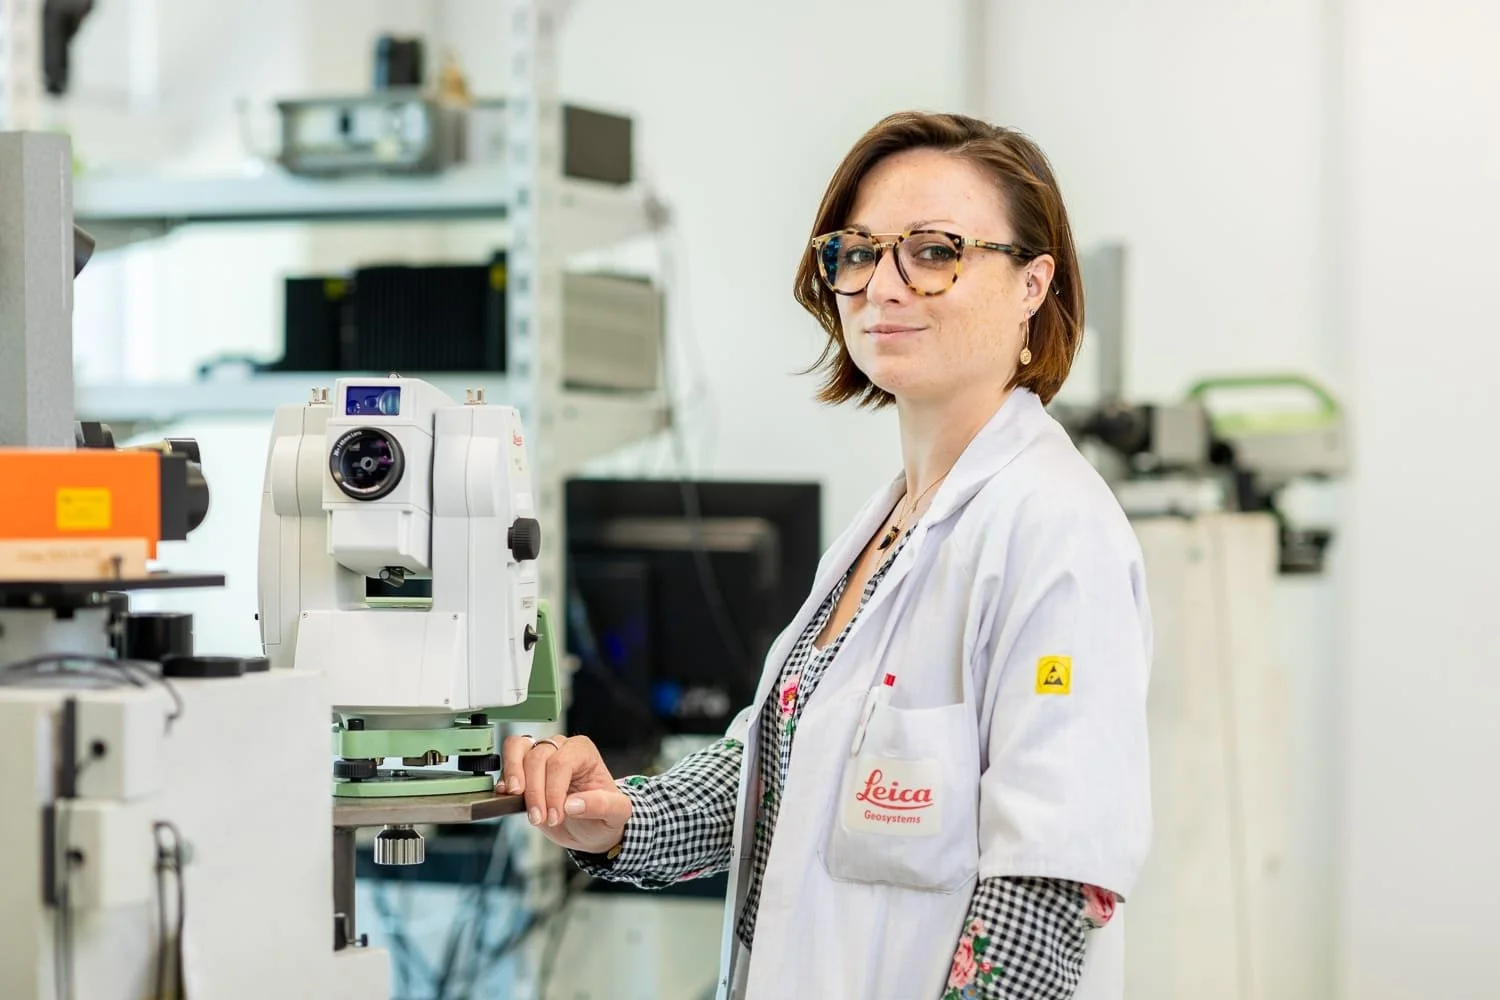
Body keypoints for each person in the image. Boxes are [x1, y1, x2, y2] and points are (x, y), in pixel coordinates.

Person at [500, 111, 1152, 1000]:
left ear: (1033, 283)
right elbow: (787, 772)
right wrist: (622, 819)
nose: (883, 285)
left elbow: (1046, 879)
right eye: (858, 251)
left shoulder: (1052, 529)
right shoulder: (890, 527)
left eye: (933, 251)